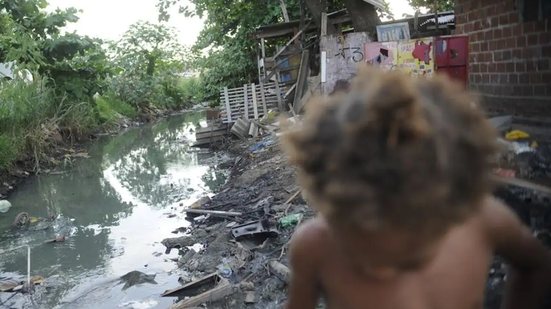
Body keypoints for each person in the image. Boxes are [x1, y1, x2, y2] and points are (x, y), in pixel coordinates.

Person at [282, 67, 551, 309]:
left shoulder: (481, 219)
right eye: (366, 250)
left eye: (412, 258)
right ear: (331, 209)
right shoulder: (315, 247)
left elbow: (535, 266)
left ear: (450, 211)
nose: (383, 273)